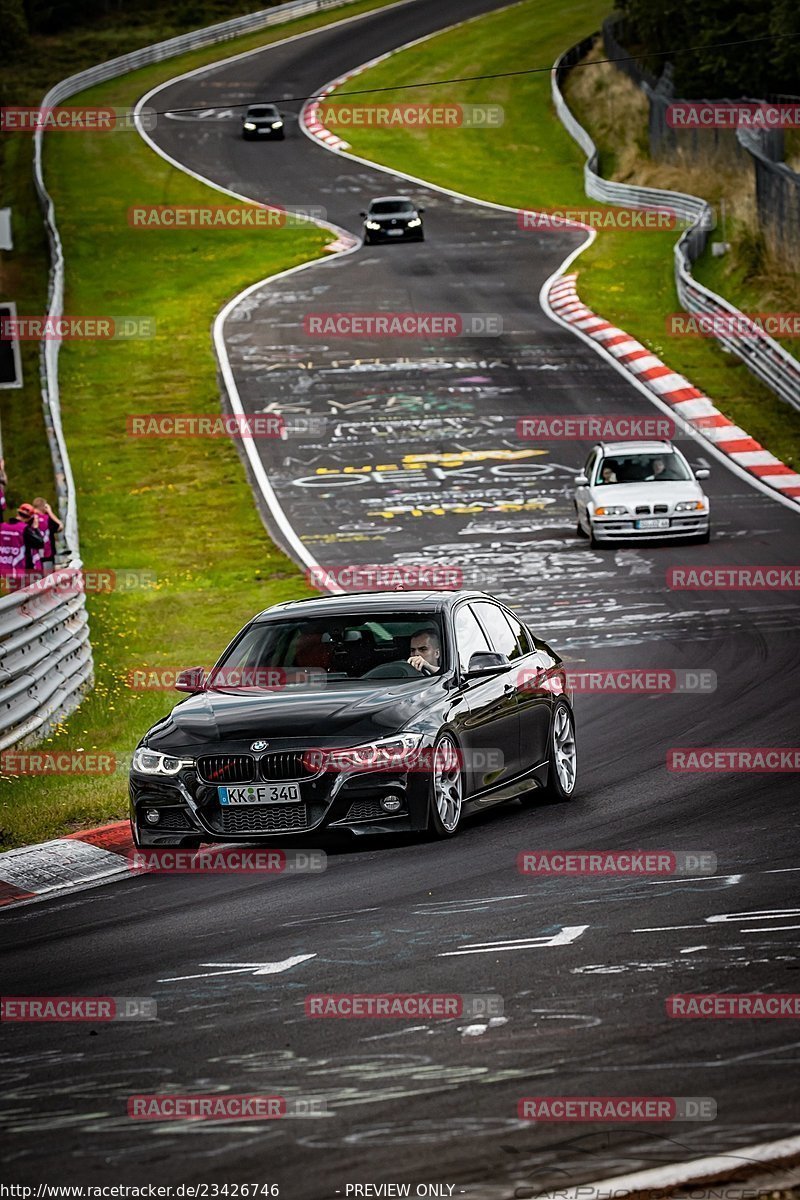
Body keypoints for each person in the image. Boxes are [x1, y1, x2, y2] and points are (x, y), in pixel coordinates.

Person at [0, 503, 45, 586]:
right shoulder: (24, 529)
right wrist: (35, 527)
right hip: (23, 570)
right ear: (30, 518)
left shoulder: (2, 527)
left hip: (6, 570)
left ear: (18, 513)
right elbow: (40, 543)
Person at [32, 497, 64, 574]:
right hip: (47, 555)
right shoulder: (47, 519)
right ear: (44, 507)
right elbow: (60, 526)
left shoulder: (29, 518)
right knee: (47, 581)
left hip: (33, 556)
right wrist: (50, 512)